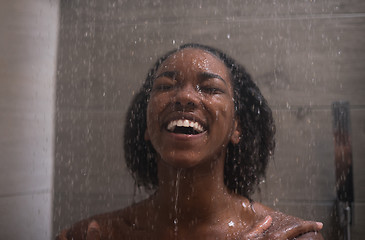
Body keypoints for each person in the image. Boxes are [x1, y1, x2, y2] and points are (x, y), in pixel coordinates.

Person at [57, 43, 324, 239]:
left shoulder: (287, 237)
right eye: (165, 86)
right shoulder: (95, 235)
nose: (185, 97)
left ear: (236, 127)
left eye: (210, 88)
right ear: (147, 126)